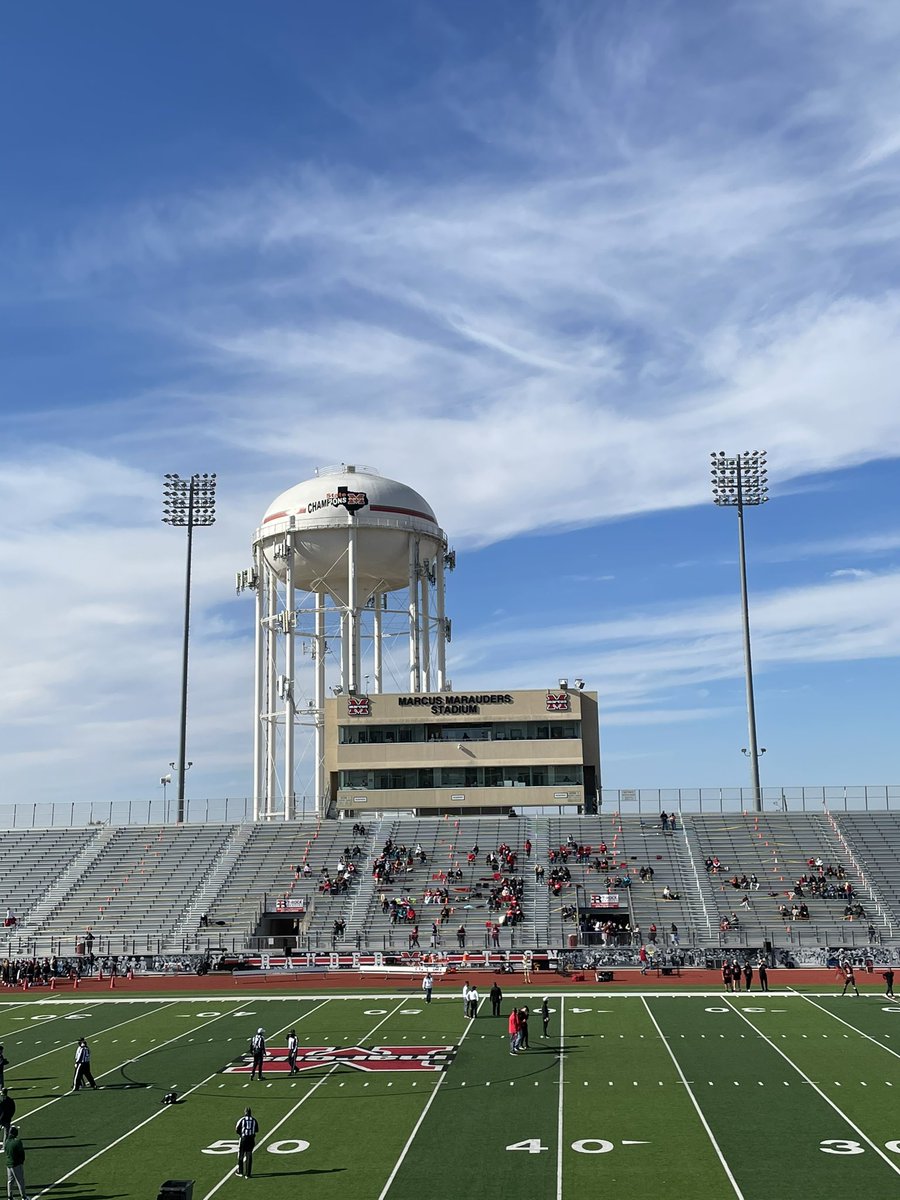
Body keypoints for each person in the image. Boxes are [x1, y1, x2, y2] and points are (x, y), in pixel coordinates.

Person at [235, 1107, 259, 1178]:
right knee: (249, 1155)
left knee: (241, 1155)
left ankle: (240, 1171)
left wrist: (241, 1134)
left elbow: (237, 1129)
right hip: (251, 1139)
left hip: (244, 1139)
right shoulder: (254, 1120)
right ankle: (248, 1174)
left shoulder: (241, 1120)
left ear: (245, 1112)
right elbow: (257, 1130)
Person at [4, 1126, 25, 1200]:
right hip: (16, 1164)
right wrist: (21, 1161)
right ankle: (24, 1197)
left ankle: (10, 1196)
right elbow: (21, 1153)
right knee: (20, 1181)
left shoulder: (6, 1141)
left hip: (8, 1164)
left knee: (10, 1181)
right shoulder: (17, 1142)